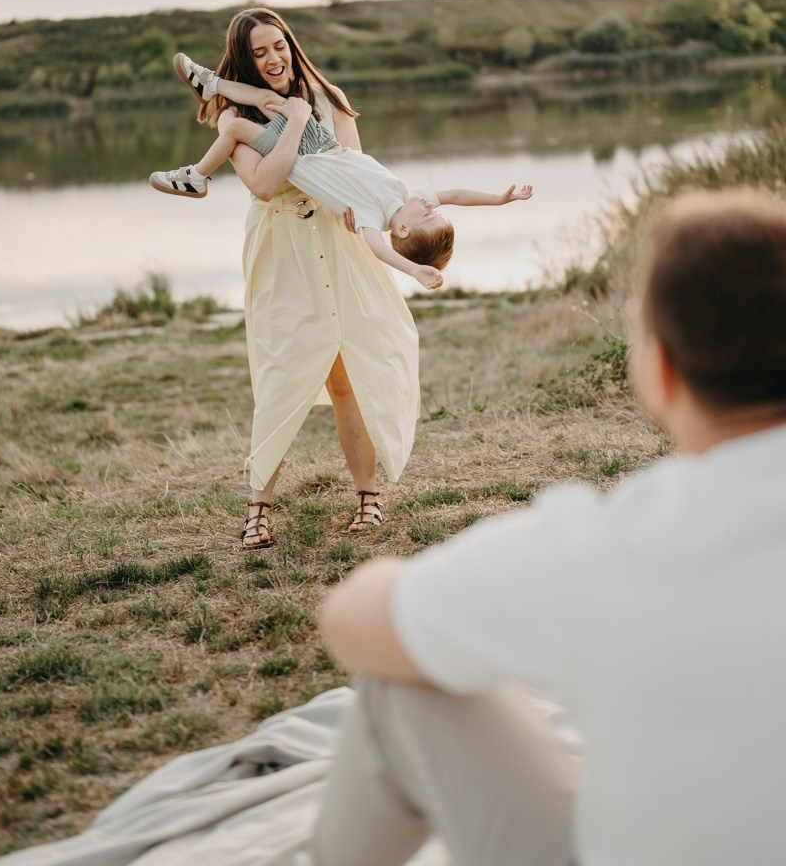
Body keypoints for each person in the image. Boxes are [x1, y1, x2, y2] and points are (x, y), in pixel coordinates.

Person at [313, 188, 786, 866]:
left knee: (400, 680)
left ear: (658, 375)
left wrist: (405, 586)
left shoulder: (612, 545)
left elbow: (349, 622)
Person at [164, 7, 426, 549]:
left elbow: (350, 167)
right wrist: (292, 119)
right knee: (281, 374)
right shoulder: (233, 116)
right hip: (282, 248)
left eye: (278, 46)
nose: (273, 58)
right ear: (244, 62)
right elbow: (265, 184)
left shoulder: (328, 96)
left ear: (291, 43)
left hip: (338, 243)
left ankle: (368, 499)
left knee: (347, 374)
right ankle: (258, 508)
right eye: (258, 53)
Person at [150, 56, 532, 291]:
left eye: (428, 215)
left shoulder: (370, 218)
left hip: (296, 157)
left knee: (234, 129)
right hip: (320, 141)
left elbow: (380, 251)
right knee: (272, 101)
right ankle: (211, 84)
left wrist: (415, 270)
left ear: (402, 229)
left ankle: (196, 177)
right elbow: (455, 195)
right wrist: (500, 199)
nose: (429, 204)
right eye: (432, 209)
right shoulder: (405, 198)